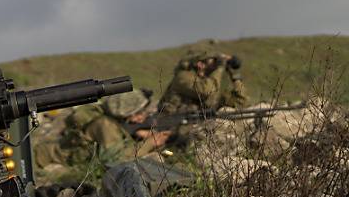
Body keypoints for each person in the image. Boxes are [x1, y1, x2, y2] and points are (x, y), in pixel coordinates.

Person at [35, 90, 171, 169]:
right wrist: (149, 143)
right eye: (140, 113)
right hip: (44, 159)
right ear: (128, 112)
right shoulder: (105, 125)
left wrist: (137, 134)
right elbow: (115, 160)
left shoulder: (110, 119)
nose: (143, 117)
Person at [158, 47, 248, 115]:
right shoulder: (182, 77)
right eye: (213, 60)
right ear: (200, 64)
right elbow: (206, 91)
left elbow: (240, 102)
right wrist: (220, 68)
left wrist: (235, 78)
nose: (216, 64)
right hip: (171, 124)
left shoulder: (211, 82)